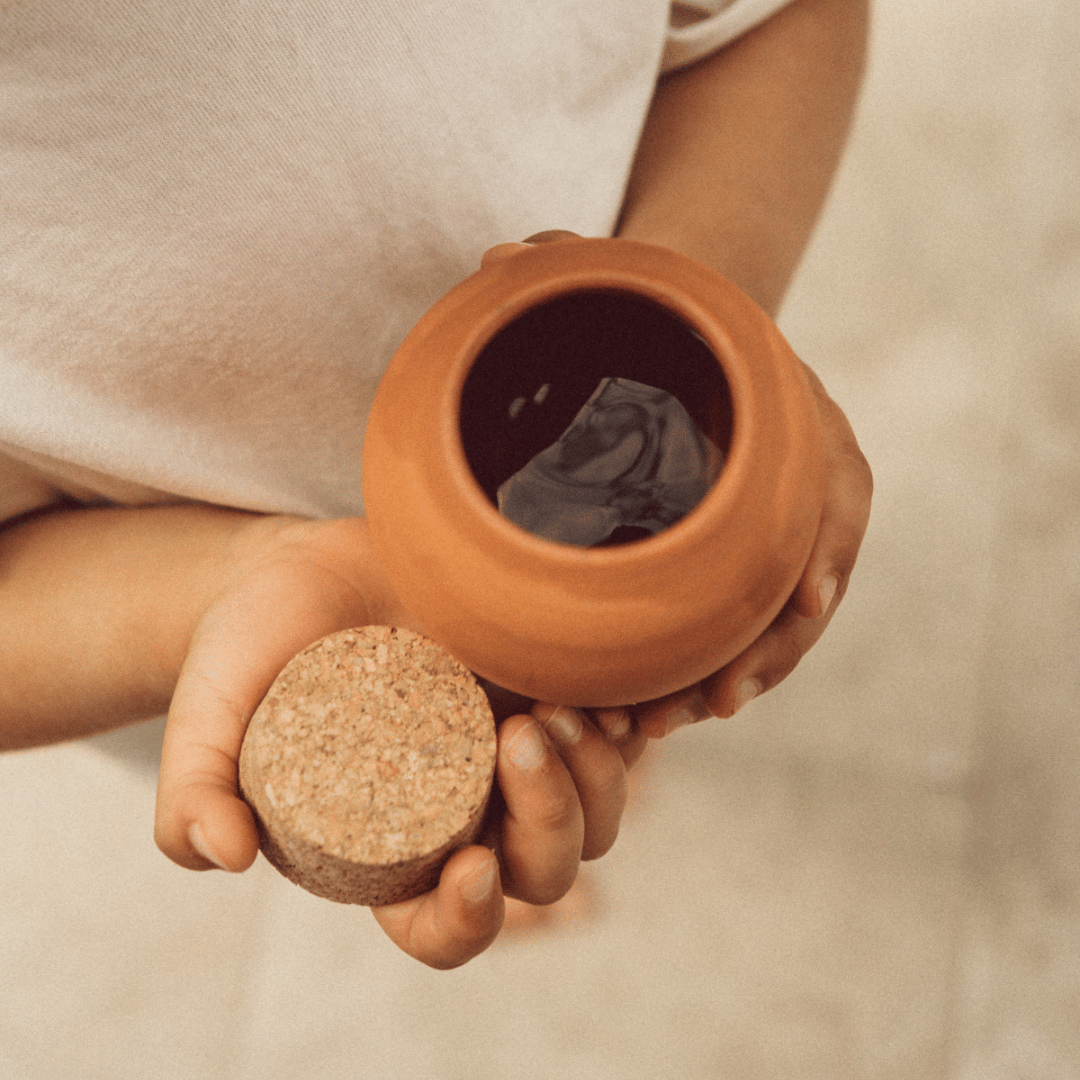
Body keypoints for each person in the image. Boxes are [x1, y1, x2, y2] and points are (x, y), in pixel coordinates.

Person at [0, 0, 872, 969]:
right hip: (208, 613)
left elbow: (771, 18)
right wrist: (204, 594)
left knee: (608, 709)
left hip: (611, 341)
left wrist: (696, 304)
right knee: (512, 772)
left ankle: (609, 709)